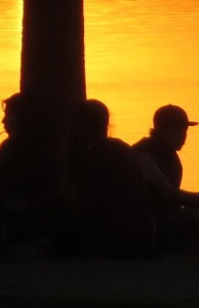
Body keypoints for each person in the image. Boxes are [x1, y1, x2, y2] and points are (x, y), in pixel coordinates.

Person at [132, 103, 199, 251]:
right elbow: (166, 193)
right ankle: (194, 245)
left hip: (164, 213)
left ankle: (188, 242)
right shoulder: (144, 155)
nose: (184, 136)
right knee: (192, 216)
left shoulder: (166, 152)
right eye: (181, 131)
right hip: (147, 219)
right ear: (167, 130)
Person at [0, 92, 64, 246]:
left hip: (23, 213)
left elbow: (0, 190)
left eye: (8, 115)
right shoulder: (53, 144)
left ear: (21, 117)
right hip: (38, 212)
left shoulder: (12, 148)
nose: (3, 120)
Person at [66, 98, 156, 258]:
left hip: (113, 239)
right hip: (141, 235)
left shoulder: (94, 156)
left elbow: (86, 204)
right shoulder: (122, 148)